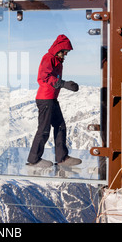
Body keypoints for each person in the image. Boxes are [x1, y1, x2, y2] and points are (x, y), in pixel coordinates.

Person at [27, 34, 82, 168]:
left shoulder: (57, 60)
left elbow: (52, 78)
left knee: (60, 126)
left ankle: (62, 157)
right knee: (44, 129)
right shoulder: (48, 58)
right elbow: (43, 77)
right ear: (59, 49)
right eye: (65, 51)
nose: (66, 54)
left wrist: (65, 84)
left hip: (51, 98)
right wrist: (63, 83)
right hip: (45, 99)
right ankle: (34, 159)